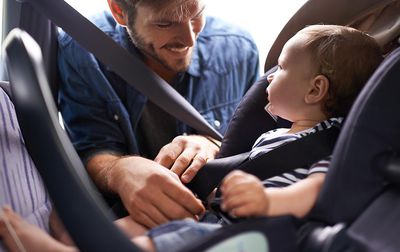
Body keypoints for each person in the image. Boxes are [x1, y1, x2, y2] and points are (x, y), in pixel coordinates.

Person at [0, 24, 383, 252]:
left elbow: (321, 188)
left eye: (281, 68)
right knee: (116, 224)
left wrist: (269, 200)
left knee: (172, 241)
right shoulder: (276, 133)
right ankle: (83, 236)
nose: (268, 77)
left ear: (315, 90)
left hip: (252, 233)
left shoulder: (330, 140)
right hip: (216, 214)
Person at [57, 0, 259, 228]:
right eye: (165, 23)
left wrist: (213, 144)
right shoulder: (82, 53)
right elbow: (91, 147)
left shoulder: (239, 50)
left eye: (197, 14)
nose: (189, 38)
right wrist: (119, 171)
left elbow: (263, 140)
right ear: (119, 11)